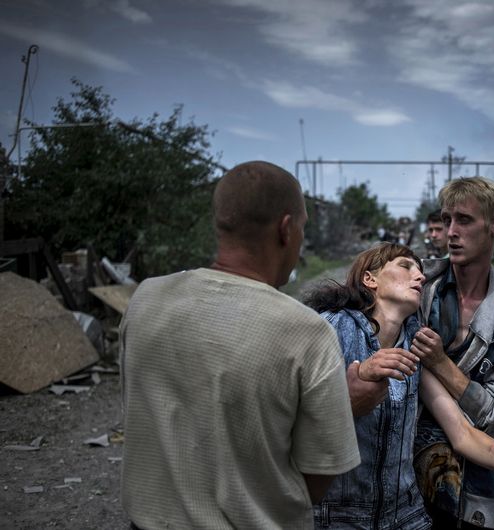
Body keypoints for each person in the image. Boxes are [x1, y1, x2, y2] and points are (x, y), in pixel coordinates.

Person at [120, 161, 360, 529]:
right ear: (286, 229)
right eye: (302, 228)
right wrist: (346, 402)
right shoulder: (306, 332)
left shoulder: (145, 299)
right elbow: (315, 480)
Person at [305, 243, 494, 529]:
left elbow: (462, 434)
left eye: (419, 269)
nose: (420, 276)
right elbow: (290, 411)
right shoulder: (331, 329)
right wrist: (357, 378)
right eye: (405, 266)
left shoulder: (415, 348)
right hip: (337, 518)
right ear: (370, 279)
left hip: (404, 517)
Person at [410, 177, 494, 529]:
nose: (451, 231)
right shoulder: (419, 287)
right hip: (405, 477)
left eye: (464, 220)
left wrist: (440, 362)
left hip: (476, 484)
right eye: (447, 219)